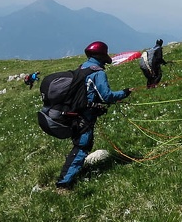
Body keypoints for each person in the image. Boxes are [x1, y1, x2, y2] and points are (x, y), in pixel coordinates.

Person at [56, 41, 132, 191]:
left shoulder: (82, 67)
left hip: (74, 113)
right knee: (82, 146)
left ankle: (68, 176)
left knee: (80, 145)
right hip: (85, 116)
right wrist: (124, 92)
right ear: (102, 55)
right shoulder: (98, 72)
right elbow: (107, 96)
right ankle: (64, 183)